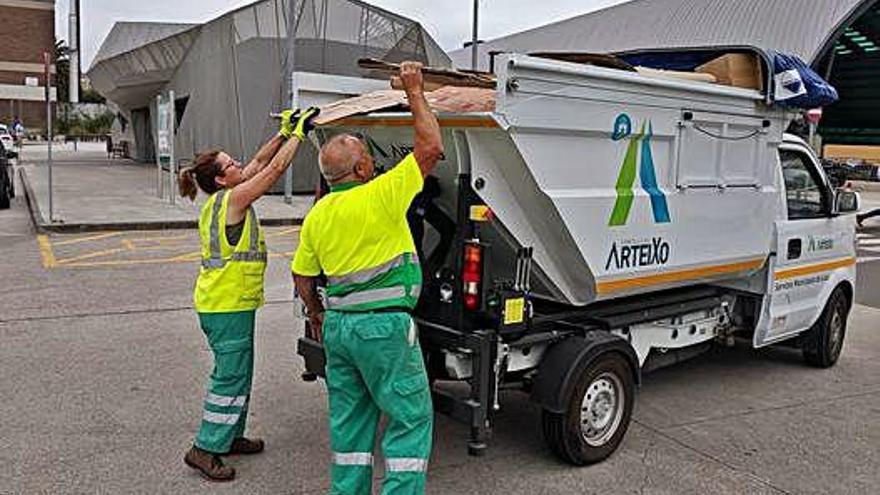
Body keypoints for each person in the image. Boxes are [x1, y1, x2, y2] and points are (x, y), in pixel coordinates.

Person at [292, 61, 444, 495]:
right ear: (360, 171)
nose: (376, 164)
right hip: (384, 328)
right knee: (409, 420)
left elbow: (303, 276)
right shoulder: (381, 194)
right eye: (370, 159)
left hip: (339, 329)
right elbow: (431, 147)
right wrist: (416, 90)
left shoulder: (317, 215)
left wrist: (316, 312)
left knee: (350, 425)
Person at [178, 107, 319, 481]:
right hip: (226, 306)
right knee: (229, 377)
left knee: (240, 373)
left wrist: (283, 132)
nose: (239, 163)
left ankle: (230, 436)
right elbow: (272, 172)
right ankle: (205, 448)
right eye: (231, 163)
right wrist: (299, 137)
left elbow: (259, 161)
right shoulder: (234, 201)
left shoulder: (223, 198)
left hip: (226, 303)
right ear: (223, 179)